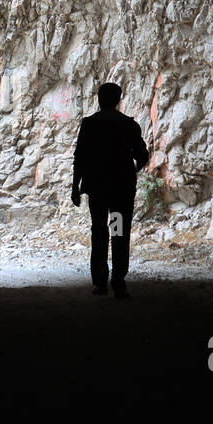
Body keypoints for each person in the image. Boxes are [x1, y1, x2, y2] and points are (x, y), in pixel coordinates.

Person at [71, 82, 149, 298]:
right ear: (118, 100)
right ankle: (118, 281)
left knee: (99, 232)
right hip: (120, 189)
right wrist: (131, 169)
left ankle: (100, 283)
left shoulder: (90, 124)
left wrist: (75, 187)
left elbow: (80, 157)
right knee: (118, 232)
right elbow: (142, 155)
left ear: (99, 99)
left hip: (97, 188)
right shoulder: (128, 125)